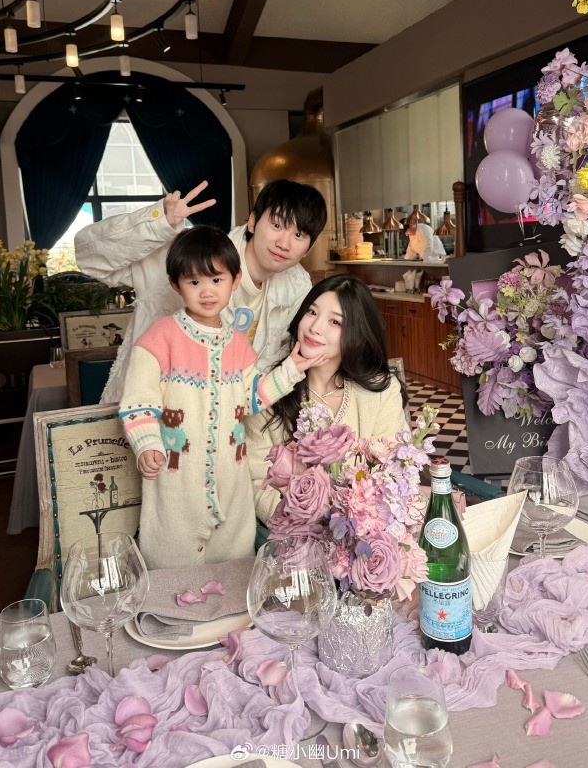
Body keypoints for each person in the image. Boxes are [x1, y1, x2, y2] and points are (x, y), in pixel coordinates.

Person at [118, 225, 327, 570]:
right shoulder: (160, 338)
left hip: (233, 491)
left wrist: (291, 369)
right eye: (194, 281)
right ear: (175, 285)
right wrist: (147, 445)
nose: (206, 291)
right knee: (173, 577)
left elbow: (251, 398)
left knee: (234, 577)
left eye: (217, 280)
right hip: (176, 488)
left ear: (234, 280)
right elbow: (138, 401)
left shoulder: (238, 345)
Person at [75, 179, 327, 403]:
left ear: (308, 248)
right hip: (150, 412)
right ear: (252, 221)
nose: (284, 243)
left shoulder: (298, 287)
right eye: (276, 225)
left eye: (298, 234)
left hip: (229, 423)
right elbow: (90, 258)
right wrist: (158, 223)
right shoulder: (190, 256)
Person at [245, 274, 409, 522]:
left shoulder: (381, 392)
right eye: (311, 312)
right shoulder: (269, 390)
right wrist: (304, 526)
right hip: (291, 534)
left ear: (357, 334)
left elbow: (393, 472)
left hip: (363, 533)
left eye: (334, 321)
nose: (315, 327)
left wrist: (348, 527)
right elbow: (256, 482)